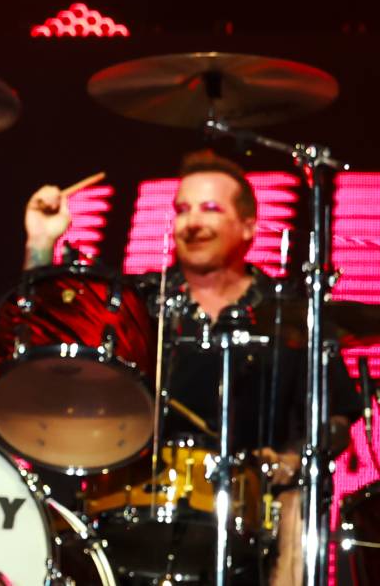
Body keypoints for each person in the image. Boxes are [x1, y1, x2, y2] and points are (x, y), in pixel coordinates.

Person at [24, 149, 358, 585]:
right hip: (127, 514)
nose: (192, 221)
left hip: (254, 529)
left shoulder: (290, 314)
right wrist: (40, 244)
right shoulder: (136, 303)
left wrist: (294, 459)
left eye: (210, 208)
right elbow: (43, 341)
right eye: (182, 210)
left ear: (248, 227)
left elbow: (335, 419)